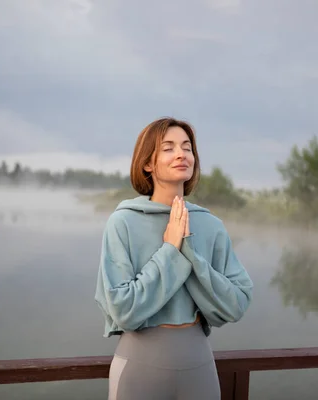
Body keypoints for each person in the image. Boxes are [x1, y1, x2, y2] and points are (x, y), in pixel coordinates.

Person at [94, 117, 254, 399]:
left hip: (199, 364)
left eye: (187, 147)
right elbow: (123, 309)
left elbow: (237, 302)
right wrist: (170, 250)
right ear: (148, 163)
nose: (181, 154)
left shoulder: (210, 225)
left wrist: (189, 251)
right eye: (168, 148)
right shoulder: (123, 223)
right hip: (140, 363)